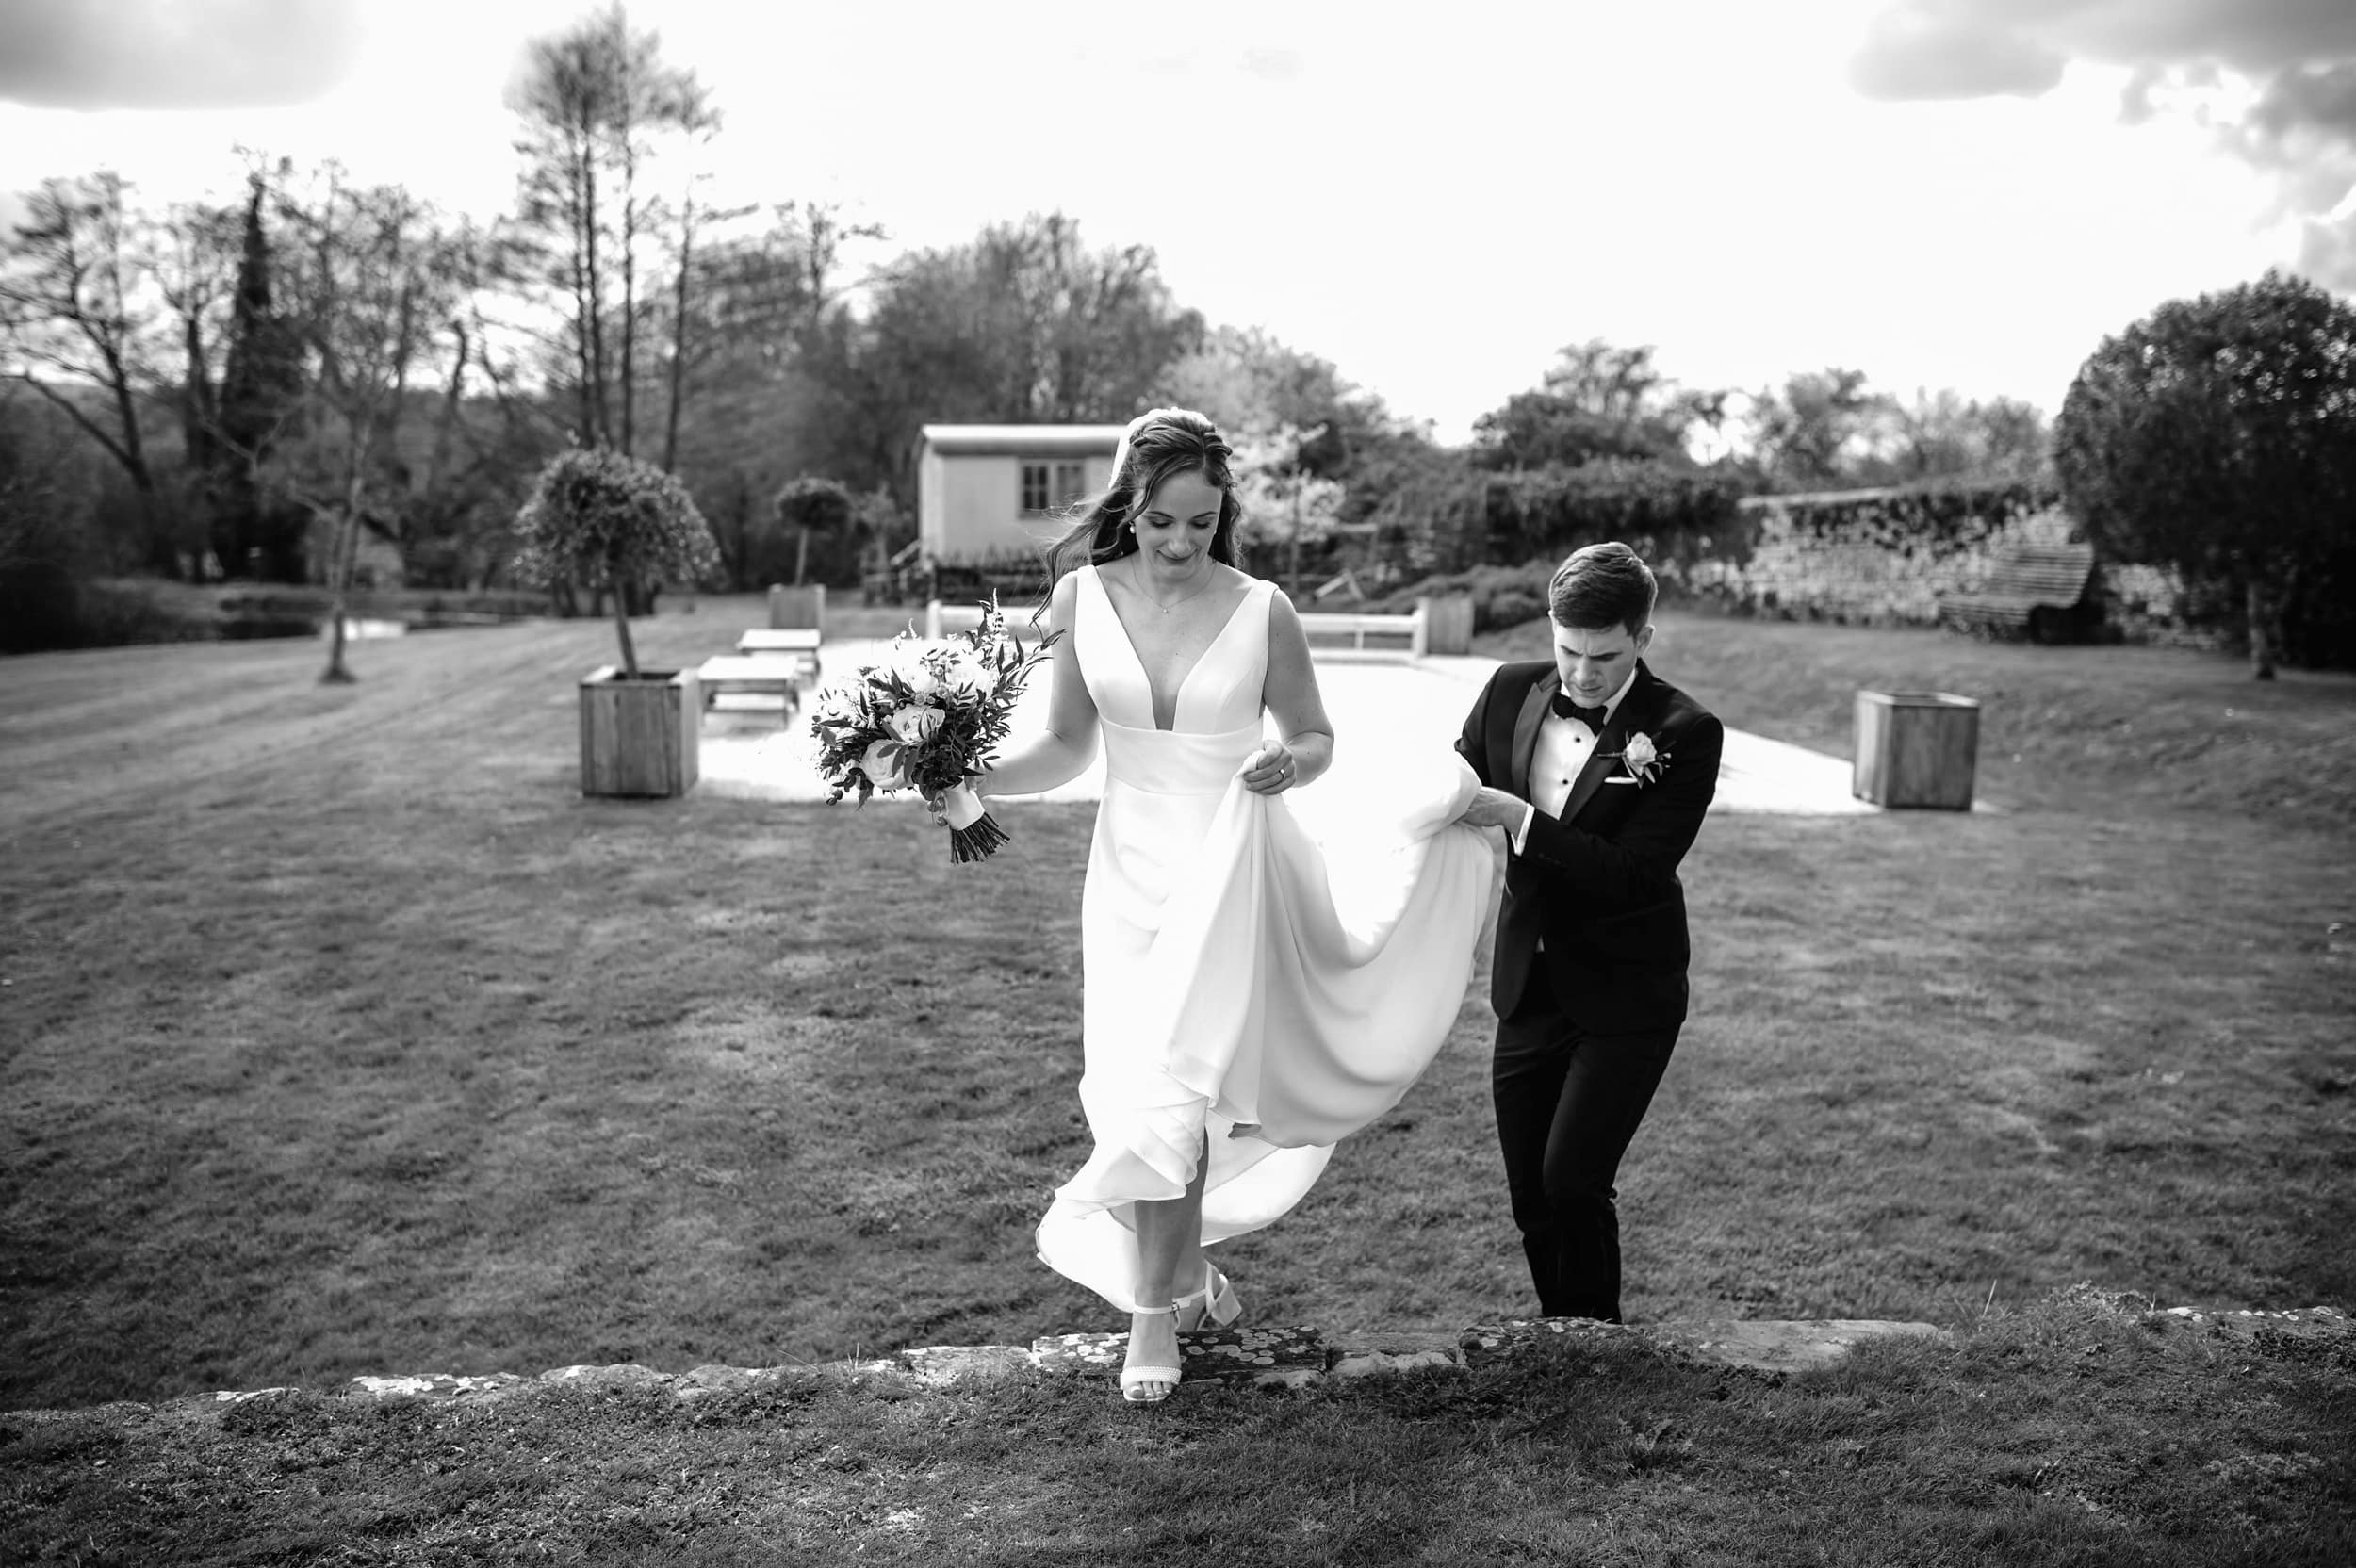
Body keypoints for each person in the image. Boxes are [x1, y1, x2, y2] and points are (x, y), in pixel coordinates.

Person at [970, 408, 1495, 1403]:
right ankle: (1191, 1279)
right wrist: (969, 771)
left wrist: (1282, 760)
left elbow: (1314, 736)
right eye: (1162, 521)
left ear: (1222, 517)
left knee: (1176, 1089)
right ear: (1130, 506)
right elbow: (1069, 745)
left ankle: (1150, 1317)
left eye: (1201, 524)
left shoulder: (1263, 608)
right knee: (1136, 1092)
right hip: (1126, 871)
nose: (1179, 542)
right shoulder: (1080, 595)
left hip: (1232, 858)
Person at [1449, 542, 1723, 1324]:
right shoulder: (1506, 691)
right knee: (1531, 1195)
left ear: (1644, 636)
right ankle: (1563, 1332)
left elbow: (1635, 873)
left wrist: (1521, 821)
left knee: (1573, 1179)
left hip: (1627, 992)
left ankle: (1599, 1341)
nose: (1582, 674)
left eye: (1604, 655)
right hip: (1529, 984)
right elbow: (1457, 782)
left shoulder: (1684, 731)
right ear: (1551, 627)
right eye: (1568, 650)